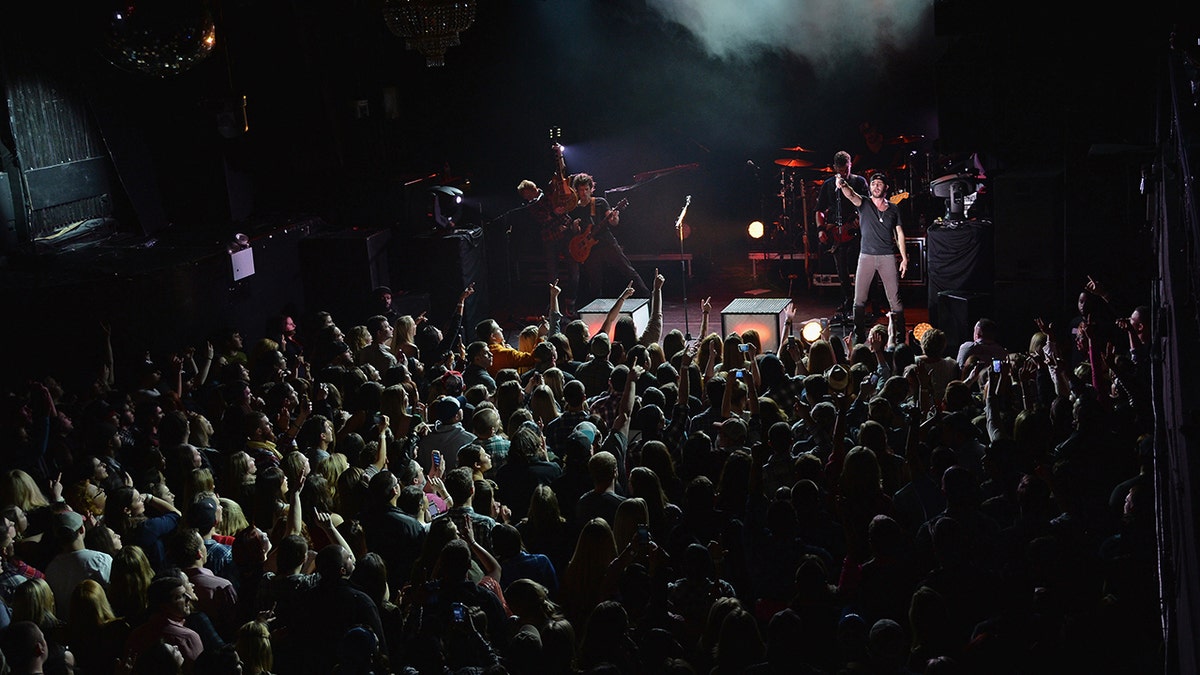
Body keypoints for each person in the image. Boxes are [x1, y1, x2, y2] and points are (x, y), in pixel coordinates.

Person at [838, 171, 908, 344]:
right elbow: (851, 195)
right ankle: (859, 339)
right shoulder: (864, 203)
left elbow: (899, 233)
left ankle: (900, 340)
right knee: (859, 298)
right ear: (870, 187)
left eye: (879, 183)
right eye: (873, 183)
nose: (876, 186)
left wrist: (904, 258)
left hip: (887, 257)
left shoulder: (893, 208)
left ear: (886, 187)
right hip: (866, 256)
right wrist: (843, 184)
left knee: (895, 299)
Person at [568, 173, 649, 307]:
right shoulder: (575, 208)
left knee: (627, 269)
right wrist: (575, 227)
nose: (584, 193)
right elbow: (575, 233)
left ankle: (647, 296)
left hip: (607, 243)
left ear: (591, 189)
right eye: (581, 190)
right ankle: (596, 310)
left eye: (586, 189)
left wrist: (614, 217)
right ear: (576, 190)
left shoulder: (599, 202)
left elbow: (613, 222)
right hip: (590, 249)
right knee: (594, 281)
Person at [816, 151, 869, 315]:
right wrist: (820, 230)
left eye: (845, 169)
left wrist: (859, 221)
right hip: (836, 234)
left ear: (850, 165)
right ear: (834, 168)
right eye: (839, 170)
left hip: (856, 232)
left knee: (865, 268)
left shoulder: (859, 182)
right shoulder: (829, 185)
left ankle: (871, 303)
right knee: (841, 270)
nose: (843, 173)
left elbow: (866, 206)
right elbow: (819, 210)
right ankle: (848, 301)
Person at [518, 179, 580, 317]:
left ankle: (570, 304)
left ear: (532, 189)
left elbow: (565, 211)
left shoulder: (550, 194)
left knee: (574, 271)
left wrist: (560, 220)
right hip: (550, 240)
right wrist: (556, 219)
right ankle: (554, 306)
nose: (527, 199)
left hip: (565, 238)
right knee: (552, 275)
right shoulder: (532, 205)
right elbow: (544, 220)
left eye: (527, 195)